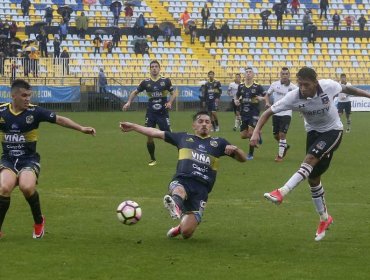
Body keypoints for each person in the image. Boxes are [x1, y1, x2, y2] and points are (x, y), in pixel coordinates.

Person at [250, 67, 370, 241]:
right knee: (313, 178)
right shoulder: (293, 96)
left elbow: (348, 89)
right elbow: (268, 112)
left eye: (306, 84)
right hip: (313, 134)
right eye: (300, 84)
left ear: (315, 82)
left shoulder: (328, 86)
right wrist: (256, 132)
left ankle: (281, 192)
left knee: (310, 159)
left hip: (333, 131)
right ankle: (324, 218)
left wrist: (368, 95)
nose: (303, 88)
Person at [119, 111, 246, 239]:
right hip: (183, 180)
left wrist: (236, 149)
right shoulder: (183, 138)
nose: (204, 124)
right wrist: (134, 126)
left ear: (211, 127)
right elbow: (155, 132)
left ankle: (179, 226)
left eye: (207, 122)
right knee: (179, 190)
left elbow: (243, 159)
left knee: (187, 233)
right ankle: (175, 205)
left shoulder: (219, 143)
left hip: (201, 190)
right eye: (200, 121)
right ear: (194, 125)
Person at [0, 79, 96, 239]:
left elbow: (59, 119)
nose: (27, 99)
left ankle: (39, 221)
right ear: (13, 95)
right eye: (24, 95)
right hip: (8, 160)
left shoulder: (34, 112)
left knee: (26, 187)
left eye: (29, 96)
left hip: (29, 160)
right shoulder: (2, 112)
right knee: (3, 188)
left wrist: (81, 128)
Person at [122, 60, 176, 166]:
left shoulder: (165, 81)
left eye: (156, 66)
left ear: (159, 68)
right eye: (152, 67)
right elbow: (135, 92)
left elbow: (173, 93)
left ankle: (182, 152)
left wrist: (170, 102)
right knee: (148, 135)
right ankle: (152, 159)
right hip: (151, 113)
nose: (154, 68)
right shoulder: (145, 82)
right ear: (150, 69)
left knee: (169, 136)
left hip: (162, 113)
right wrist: (128, 102)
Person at [264, 67, 298, 162]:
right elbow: (267, 94)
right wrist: (267, 102)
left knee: (282, 134)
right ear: (280, 75)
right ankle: (285, 146)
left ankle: (280, 156)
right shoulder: (275, 84)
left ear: (289, 75)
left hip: (287, 113)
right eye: (283, 74)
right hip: (276, 112)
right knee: (276, 135)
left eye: (286, 74)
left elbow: (300, 97)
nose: (284, 75)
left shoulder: (293, 87)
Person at [235, 67, 265, 160]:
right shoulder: (241, 86)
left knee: (251, 132)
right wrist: (236, 100)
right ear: (244, 75)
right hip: (244, 113)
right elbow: (237, 96)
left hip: (254, 113)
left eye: (250, 72)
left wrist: (261, 98)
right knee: (243, 135)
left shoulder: (257, 86)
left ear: (253, 75)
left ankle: (250, 154)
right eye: (246, 72)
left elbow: (265, 96)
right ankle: (258, 135)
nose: (248, 73)